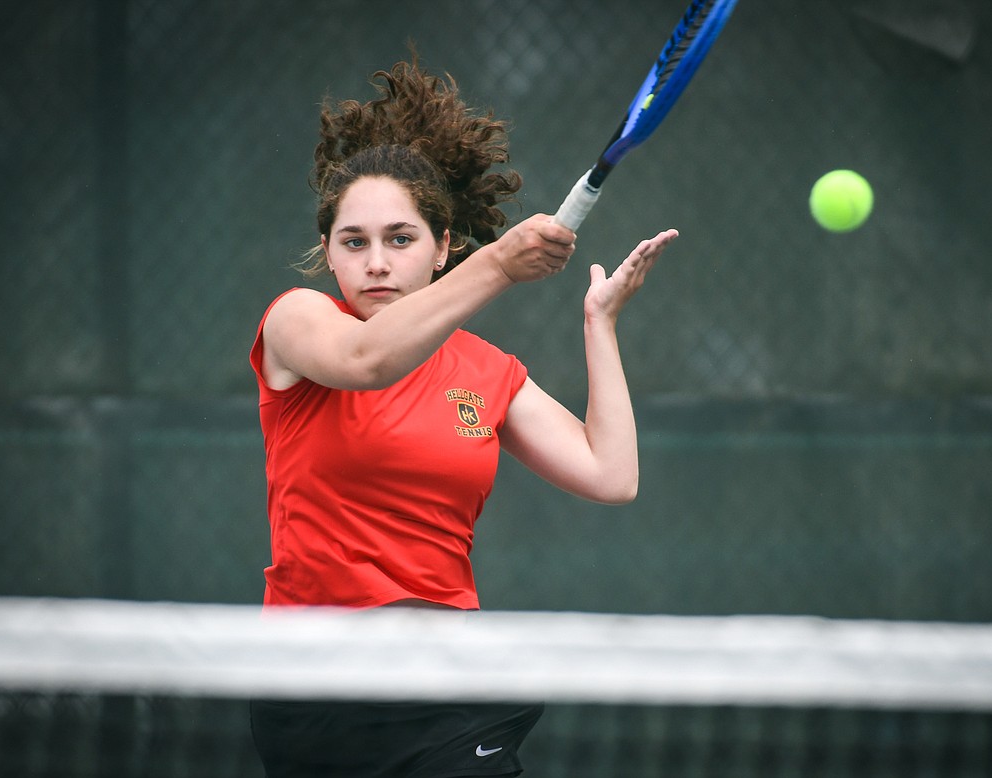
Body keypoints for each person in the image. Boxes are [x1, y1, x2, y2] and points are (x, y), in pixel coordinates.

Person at [248, 56, 677, 778]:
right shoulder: (299, 323)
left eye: (400, 238)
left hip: (444, 671)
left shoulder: (485, 372)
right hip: (317, 677)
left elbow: (612, 474)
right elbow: (365, 362)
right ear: (328, 253)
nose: (376, 262)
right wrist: (502, 266)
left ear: (443, 247)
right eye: (354, 243)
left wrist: (600, 326)